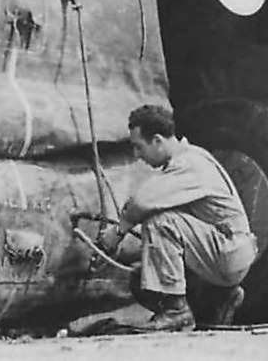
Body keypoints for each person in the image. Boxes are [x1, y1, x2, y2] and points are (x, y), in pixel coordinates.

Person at [102, 104, 257, 332]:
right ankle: (217, 299)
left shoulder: (188, 164)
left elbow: (142, 203)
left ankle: (176, 312)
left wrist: (117, 233)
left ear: (157, 140)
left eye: (138, 147)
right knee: (141, 277)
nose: (137, 155)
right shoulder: (193, 156)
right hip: (226, 250)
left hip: (228, 252)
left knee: (160, 222)